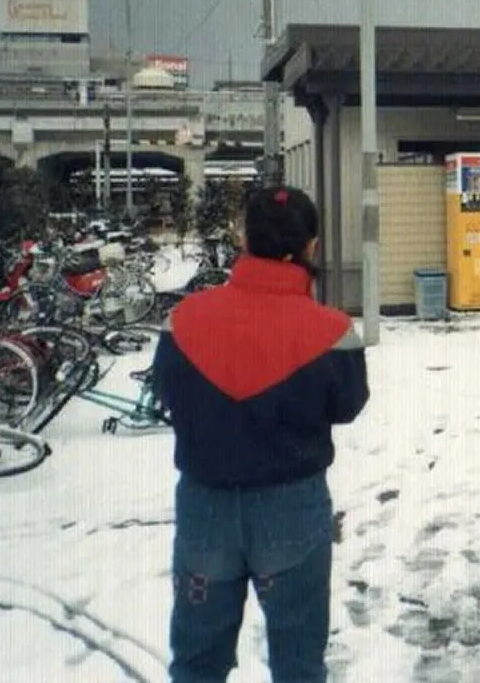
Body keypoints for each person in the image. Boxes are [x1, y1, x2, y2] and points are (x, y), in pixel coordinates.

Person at [151, 186, 370, 683]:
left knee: (196, 664)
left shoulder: (180, 322)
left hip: (204, 506)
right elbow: (348, 405)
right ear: (311, 247)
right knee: (298, 665)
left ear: (244, 239)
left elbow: (167, 396)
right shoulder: (333, 332)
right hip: (293, 508)